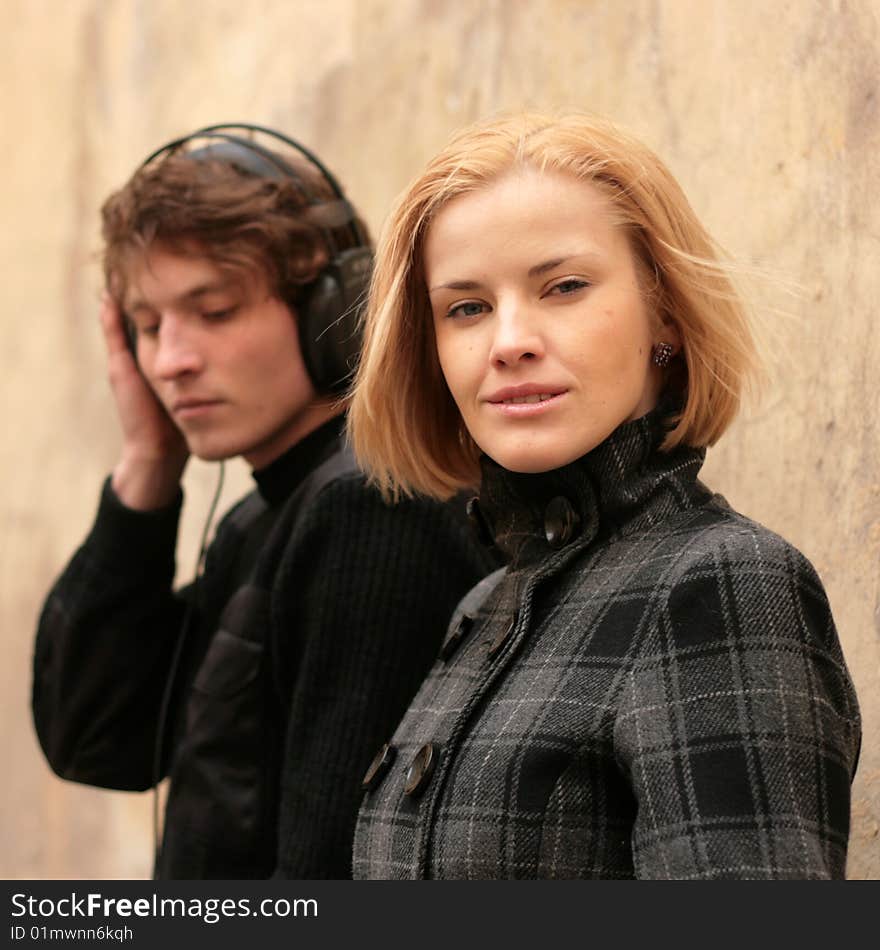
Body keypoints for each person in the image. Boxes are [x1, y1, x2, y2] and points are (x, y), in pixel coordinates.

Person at [348, 112, 862, 879]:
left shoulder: (720, 581)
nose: (508, 340)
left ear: (665, 312)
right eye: (467, 307)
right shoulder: (485, 605)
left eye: (564, 287)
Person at [32, 124, 498, 879]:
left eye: (213, 312)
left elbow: (330, 870)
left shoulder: (372, 508)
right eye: (148, 327)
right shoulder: (263, 518)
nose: (173, 362)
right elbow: (97, 740)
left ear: (330, 310)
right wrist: (149, 464)